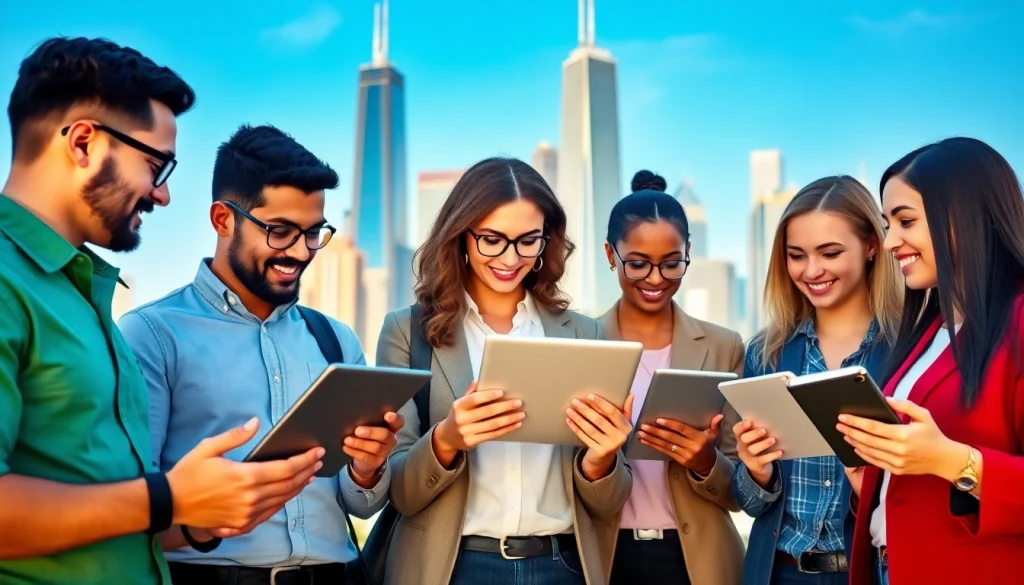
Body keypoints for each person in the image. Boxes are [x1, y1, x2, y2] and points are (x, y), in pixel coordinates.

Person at [0, 38, 324, 585]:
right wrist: (167, 497)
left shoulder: (81, 293)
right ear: (83, 143)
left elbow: (116, 508)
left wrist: (202, 515)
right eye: (156, 165)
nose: (164, 195)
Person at [118, 124, 401, 585]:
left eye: (313, 233)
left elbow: (361, 504)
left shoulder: (336, 340)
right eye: (280, 231)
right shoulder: (151, 335)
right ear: (222, 219)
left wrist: (368, 470)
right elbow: (128, 507)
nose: (299, 252)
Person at [375, 157, 633, 585]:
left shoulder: (587, 333)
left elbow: (611, 501)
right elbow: (397, 490)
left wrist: (602, 460)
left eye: (528, 240)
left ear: (546, 241)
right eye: (492, 239)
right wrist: (446, 440)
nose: (511, 258)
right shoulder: (407, 332)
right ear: (461, 237)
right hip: (451, 567)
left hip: (562, 566)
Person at [837, 137, 1024, 584]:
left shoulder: (1017, 320)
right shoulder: (928, 330)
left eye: (905, 221)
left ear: (965, 217)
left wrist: (953, 462)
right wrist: (873, 474)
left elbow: (946, 460)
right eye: (887, 224)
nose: (888, 243)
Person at [730, 176, 903, 585]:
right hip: (779, 572)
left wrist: (868, 486)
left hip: (869, 571)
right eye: (796, 255)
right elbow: (750, 503)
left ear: (871, 246)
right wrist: (756, 471)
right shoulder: (765, 353)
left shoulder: (906, 350)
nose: (811, 270)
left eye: (830, 252)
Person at [600, 170, 745, 585]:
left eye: (671, 263)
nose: (656, 279)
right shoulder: (583, 342)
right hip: (607, 559)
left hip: (700, 562)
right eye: (638, 264)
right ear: (611, 255)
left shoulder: (723, 347)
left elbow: (743, 489)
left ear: (689, 254)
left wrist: (704, 462)